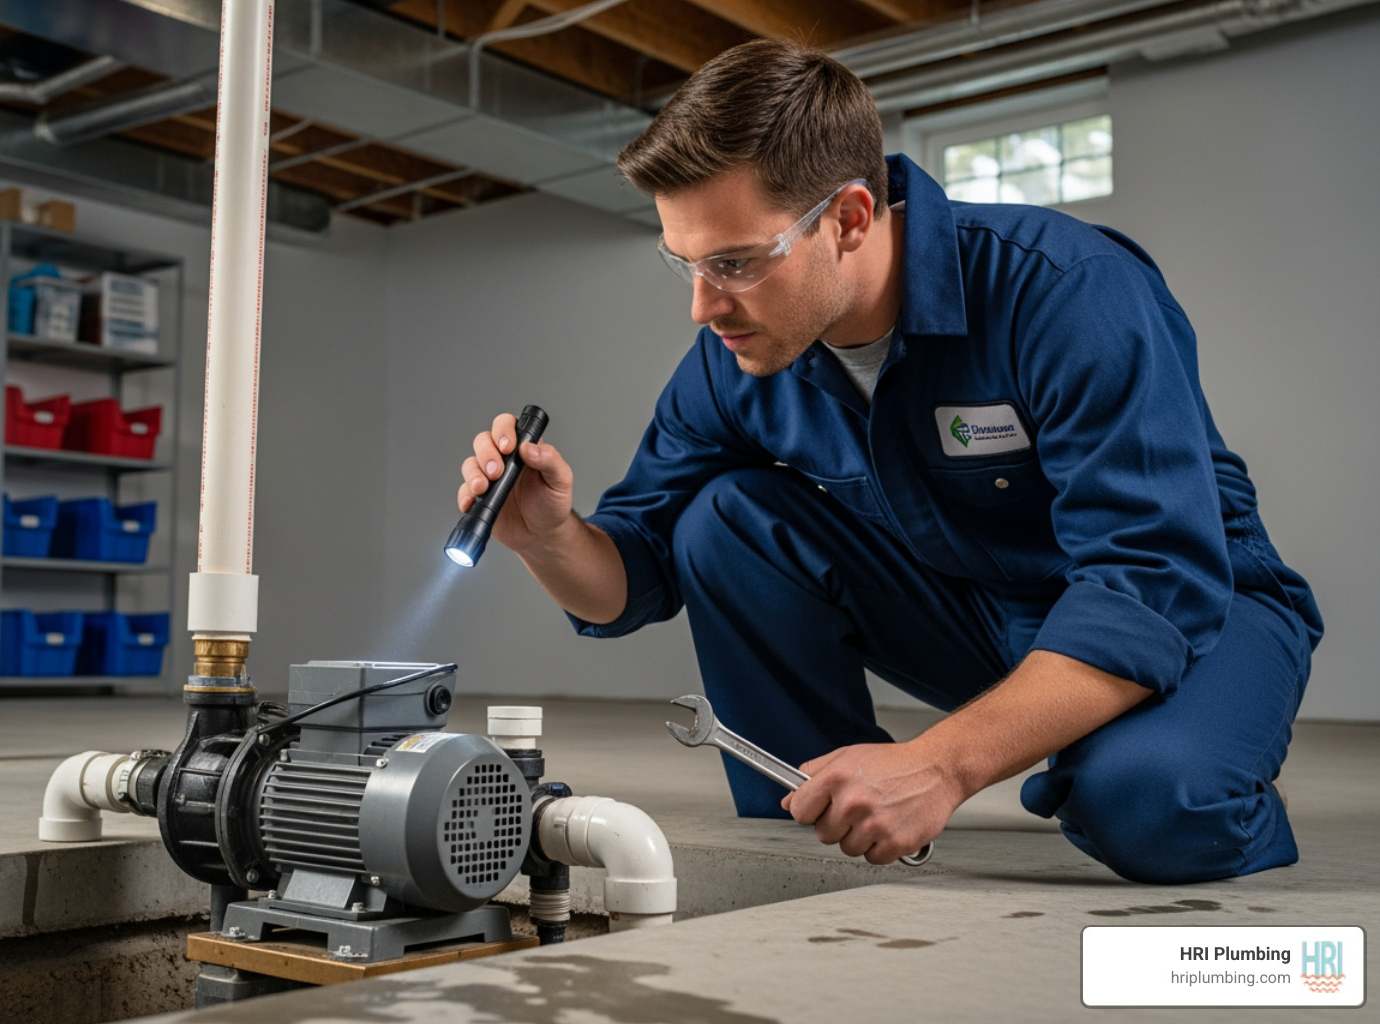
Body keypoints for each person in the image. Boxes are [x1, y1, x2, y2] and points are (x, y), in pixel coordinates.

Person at [456, 39, 1322, 884]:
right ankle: (824, 797)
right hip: (978, 613)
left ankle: (1198, 758)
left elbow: (1151, 575)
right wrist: (547, 537)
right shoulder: (737, 357)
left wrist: (942, 763)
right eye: (683, 262)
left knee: (1152, 804)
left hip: (1198, 605)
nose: (702, 305)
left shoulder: (1065, 291)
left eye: (733, 263)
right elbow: (633, 576)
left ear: (850, 218)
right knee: (725, 519)